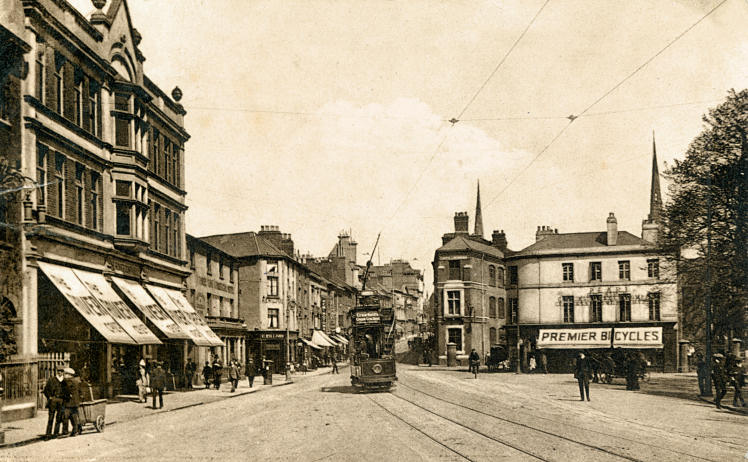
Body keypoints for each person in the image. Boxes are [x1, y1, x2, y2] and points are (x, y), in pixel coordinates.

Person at [43, 366, 65, 438]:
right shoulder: (51, 380)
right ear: (56, 371)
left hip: (61, 401)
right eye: (58, 371)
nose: (59, 372)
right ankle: (48, 434)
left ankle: (56, 433)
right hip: (53, 401)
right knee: (51, 418)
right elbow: (46, 390)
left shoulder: (64, 381)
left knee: (59, 418)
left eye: (61, 371)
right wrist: (49, 397)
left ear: (63, 372)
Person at [61, 367, 82, 436]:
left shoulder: (66, 382)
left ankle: (65, 432)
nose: (64, 375)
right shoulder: (76, 381)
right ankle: (75, 431)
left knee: (65, 417)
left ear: (69, 375)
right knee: (74, 417)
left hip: (68, 402)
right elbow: (79, 391)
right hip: (75, 403)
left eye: (65, 374)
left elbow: (66, 391)